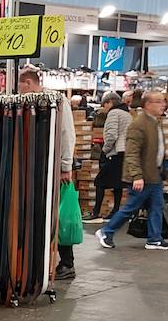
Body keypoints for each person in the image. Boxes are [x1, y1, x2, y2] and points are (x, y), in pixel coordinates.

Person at [95, 89, 168, 252]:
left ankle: (154, 239)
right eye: (158, 101)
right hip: (142, 177)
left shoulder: (154, 123)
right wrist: (137, 176)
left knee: (157, 207)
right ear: (148, 104)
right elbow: (132, 153)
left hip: (154, 175)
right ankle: (105, 232)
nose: (163, 105)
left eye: (163, 101)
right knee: (130, 208)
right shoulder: (138, 125)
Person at [17, 66, 77, 279]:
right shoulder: (27, 102)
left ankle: (66, 262)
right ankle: (39, 260)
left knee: (55, 215)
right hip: (34, 167)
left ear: (28, 83)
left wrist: (65, 166)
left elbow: (66, 134)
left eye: (20, 85)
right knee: (40, 214)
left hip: (53, 167)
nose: (19, 89)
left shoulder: (57, 102)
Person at [91, 92, 131, 223]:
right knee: (118, 184)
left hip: (114, 153)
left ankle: (96, 213)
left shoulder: (114, 113)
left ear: (110, 102)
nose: (105, 107)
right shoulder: (127, 114)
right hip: (124, 153)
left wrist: (105, 150)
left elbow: (111, 135)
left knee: (99, 182)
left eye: (105, 104)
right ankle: (115, 212)